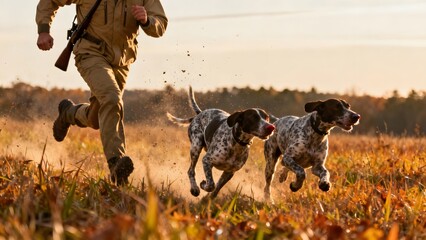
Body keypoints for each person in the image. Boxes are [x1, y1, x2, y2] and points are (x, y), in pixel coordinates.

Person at [36, 0, 168, 185]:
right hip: (90, 52)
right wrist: (44, 30)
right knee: (112, 99)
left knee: (96, 119)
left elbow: (161, 23)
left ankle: (69, 114)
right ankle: (116, 163)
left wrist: (147, 21)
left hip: (122, 61)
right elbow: (50, 2)